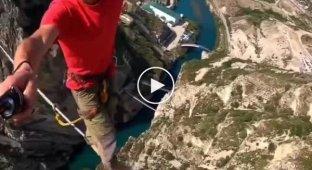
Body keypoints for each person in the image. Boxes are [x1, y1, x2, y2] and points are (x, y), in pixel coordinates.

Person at [0, 0, 124, 169]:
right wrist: (24, 70)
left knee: (107, 118)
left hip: (108, 74)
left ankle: (93, 135)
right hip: (84, 87)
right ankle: (109, 165)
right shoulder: (64, 9)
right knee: (107, 136)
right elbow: (39, 39)